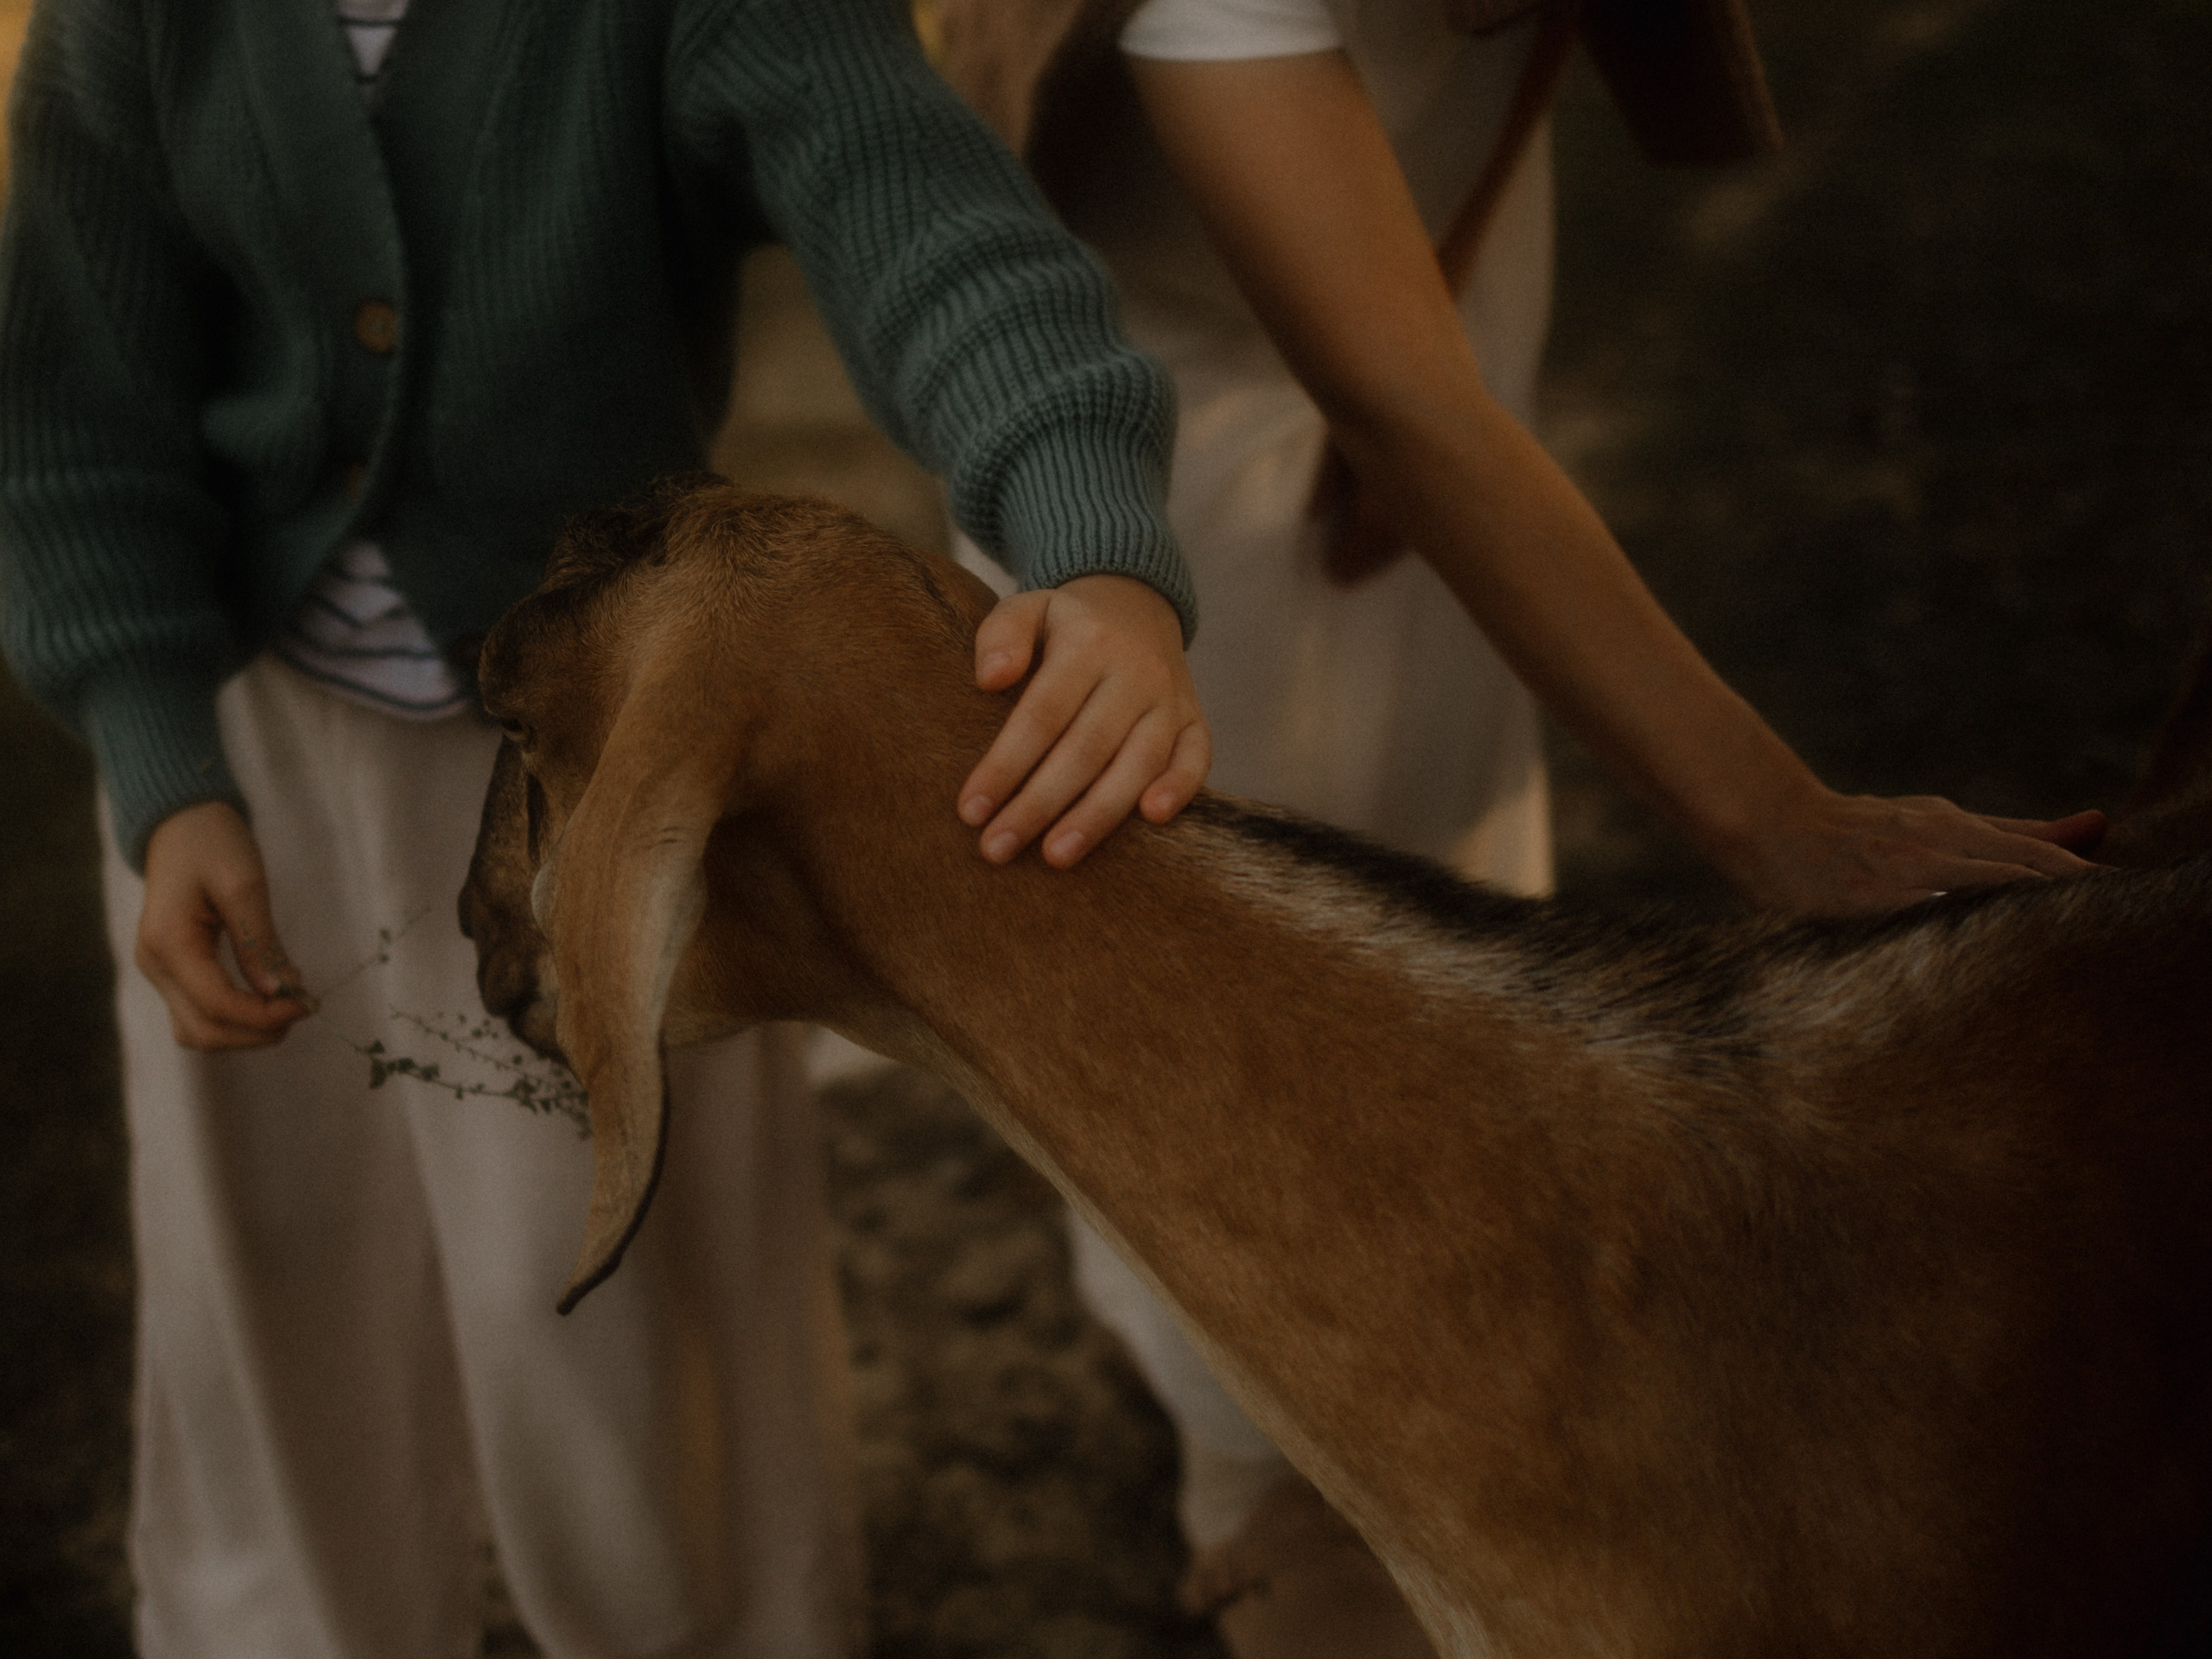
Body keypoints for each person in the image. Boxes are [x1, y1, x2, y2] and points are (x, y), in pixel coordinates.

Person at [0, 1, 1211, 1654]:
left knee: (615, 1308)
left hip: (603, 760)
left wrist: (1086, 536)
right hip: (242, 753)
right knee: (271, 1290)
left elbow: (932, 230)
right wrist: (162, 769)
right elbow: (73, 415)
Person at [926, 0, 2105, 1651]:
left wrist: (1442, 268)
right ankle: (1255, 1482)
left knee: (1448, 894)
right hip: (1163, 443)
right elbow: (1411, 404)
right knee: (1198, 966)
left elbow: (1488, 184)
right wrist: (1781, 820)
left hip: (1421, 294)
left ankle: (1478, 1372)